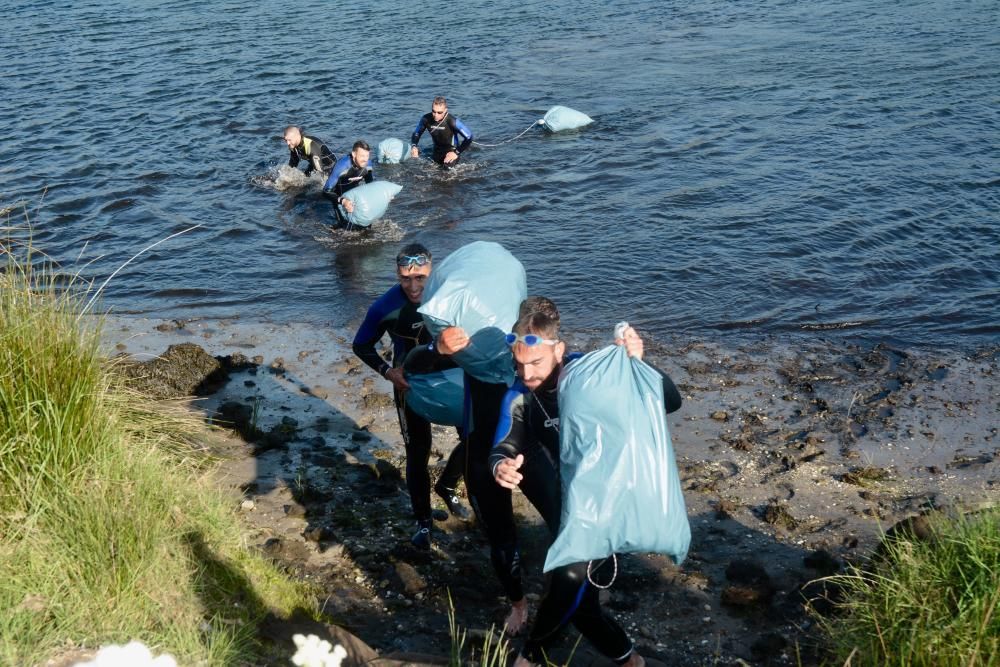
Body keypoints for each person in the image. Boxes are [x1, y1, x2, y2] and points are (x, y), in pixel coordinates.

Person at [490, 297, 683, 667]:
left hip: (611, 500)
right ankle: (630, 661)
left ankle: (528, 658)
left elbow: (670, 401)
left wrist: (638, 363)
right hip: (574, 506)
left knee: (570, 578)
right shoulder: (519, 396)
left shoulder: (589, 374)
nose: (527, 374)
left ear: (559, 349)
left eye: (536, 363)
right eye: (519, 364)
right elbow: (504, 442)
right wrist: (500, 466)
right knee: (580, 606)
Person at [352, 244, 470, 550]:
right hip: (410, 384)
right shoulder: (385, 307)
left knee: (473, 439)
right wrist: (387, 372)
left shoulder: (451, 295)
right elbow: (361, 345)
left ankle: (446, 485)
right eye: (406, 278)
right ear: (397, 275)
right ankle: (423, 522)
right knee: (418, 452)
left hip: (454, 379)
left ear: (432, 270)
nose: (414, 286)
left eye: (420, 277)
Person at [323, 140, 375, 229]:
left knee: (366, 226)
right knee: (344, 228)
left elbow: (370, 185)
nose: (365, 159)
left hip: (354, 194)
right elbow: (326, 191)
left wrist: (383, 195)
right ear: (354, 154)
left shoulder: (368, 165)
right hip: (339, 196)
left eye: (367, 155)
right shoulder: (342, 166)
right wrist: (343, 201)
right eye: (362, 156)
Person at [409, 96, 474, 166]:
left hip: (451, 152)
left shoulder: (452, 121)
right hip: (436, 151)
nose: (436, 115)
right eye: (433, 111)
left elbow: (469, 137)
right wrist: (414, 146)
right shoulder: (426, 119)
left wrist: (456, 153)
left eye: (439, 112)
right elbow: (417, 133)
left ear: (445, 110)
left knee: (447, 172)